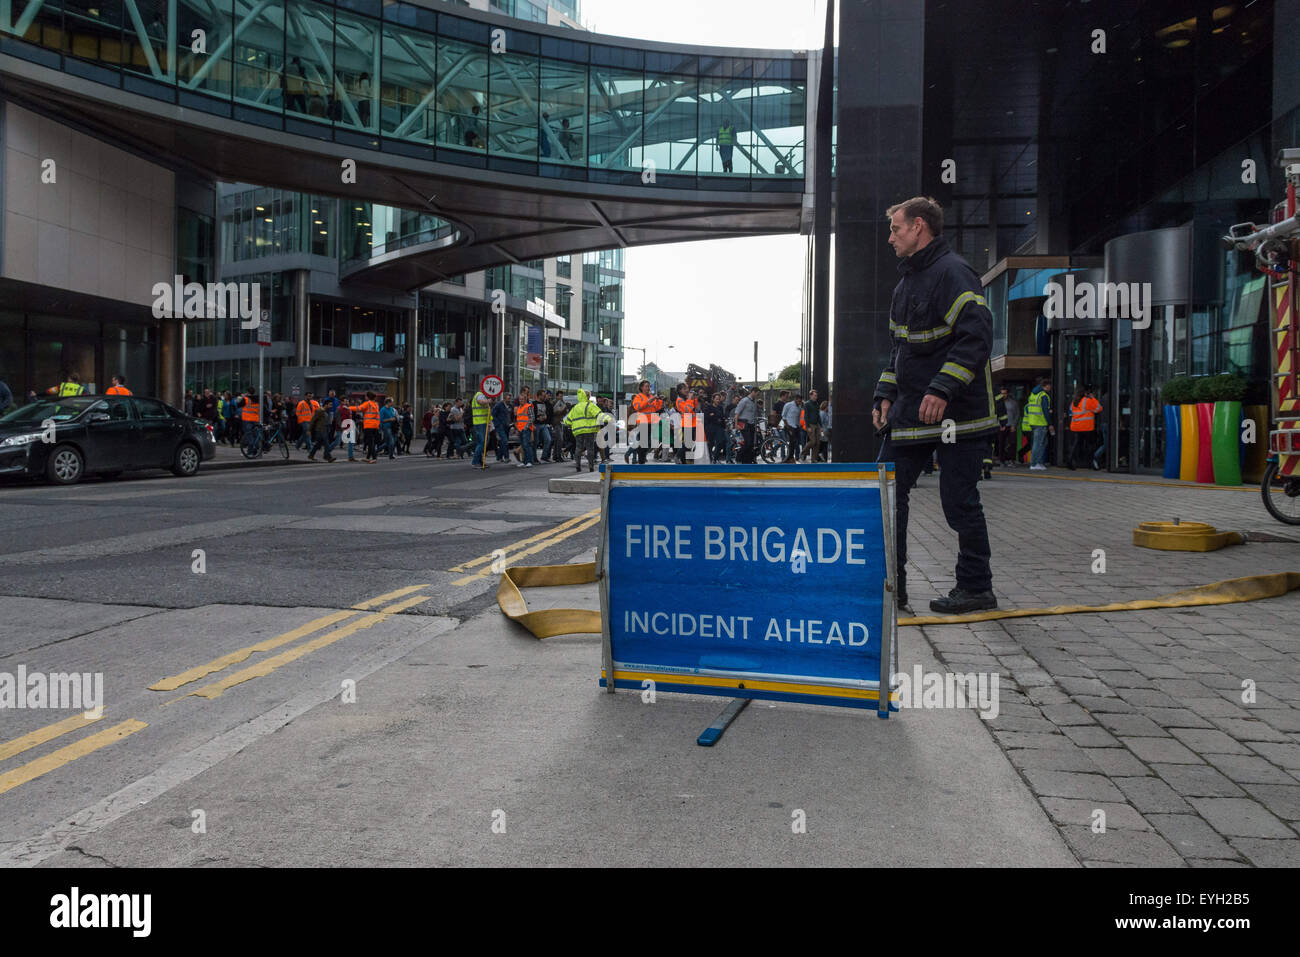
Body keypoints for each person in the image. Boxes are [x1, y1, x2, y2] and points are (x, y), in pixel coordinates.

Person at [872, 196, 997, 615]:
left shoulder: (954, 273)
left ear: (919, 226)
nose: (890, 237)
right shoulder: (905, 285)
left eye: (896, 228)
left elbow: (976, 336)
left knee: (959, 501)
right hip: (912, 411)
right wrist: (884, 394)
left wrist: (942, 388)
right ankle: (894, 590)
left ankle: (976, 587)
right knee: (887, 491)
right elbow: (899, 353)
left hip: (959, 414)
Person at [564, 389, 601, 473]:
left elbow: (568, 419)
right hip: (589, 430)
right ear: (588, 396)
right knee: (590, 448)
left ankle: (578, 466)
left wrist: (568, 424)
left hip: (578, 431)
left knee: (578, 448)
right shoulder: (591, 405)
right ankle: (591, 466)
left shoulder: (576, 407)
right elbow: (598, 414)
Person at [1067, 385, 1103, 470]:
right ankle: (1091, 463)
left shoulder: (1074, 402)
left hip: (1076, 427)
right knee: (1091, 446)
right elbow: (1099, 409)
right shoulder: (1087, 401)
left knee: (1076, 445)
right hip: (1086, 427)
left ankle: (1070, 460)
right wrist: (1093, 398)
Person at [1024, 378, 1054, 470]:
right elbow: (1045, 411)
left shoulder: (1033, 394)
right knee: (1038, 443)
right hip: (1040, 422)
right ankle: (1034, 464)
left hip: (1033, 422)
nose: (1051, 388)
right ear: (1047, 386)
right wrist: (1050, 424)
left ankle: (1039, 462)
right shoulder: (1043, 395)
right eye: (1050, 386)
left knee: (1042, 443)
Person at [629, 380, 661, 465]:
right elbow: (638, 407)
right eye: (646, 386)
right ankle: (641, 461)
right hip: (643, 422)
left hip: (651, 422)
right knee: (644, 442)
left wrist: (659, 400)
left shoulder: (651, 396)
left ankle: (640, 457)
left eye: (649, 386)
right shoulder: (638, 397)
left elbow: (656, 408)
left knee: (648, 443)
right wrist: (650, 400)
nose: (648, 388)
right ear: (641, 387)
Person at [733, 386, 760, 464]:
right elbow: (737, 413)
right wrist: (736, 425)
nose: (757, 396)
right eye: (757, 394)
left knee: (751, 444)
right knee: (747, 443)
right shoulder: (744, 401)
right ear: (753, 392)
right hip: (744, 424)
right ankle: (738, 457)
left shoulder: (753, 402)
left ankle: (747, 461)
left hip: (751, 425)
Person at [673, 384, 699, 465]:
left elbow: (695, 407)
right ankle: (677, 456)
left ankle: (684, 461)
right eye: (684, 389)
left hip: (693, 422)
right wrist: (690, 399)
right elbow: (687, 409)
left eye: (687, 388)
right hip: (687, 423)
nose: (687, 390)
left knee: (690, 444)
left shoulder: (686, 398)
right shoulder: (679, 400)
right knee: (688, 443)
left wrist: (694, 398)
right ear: (680, 390)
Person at [470, 388, 492, 467]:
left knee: (482, 442)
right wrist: (488, 401)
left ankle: (479, 461)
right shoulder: (480, 395)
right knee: (483, 442)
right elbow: (481, 402)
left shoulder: (482, 395)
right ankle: (475, 462)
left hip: (482, 422)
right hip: (480, 422)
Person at [515, 388, 535, 467]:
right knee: (523, 446)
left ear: (526, 399)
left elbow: (532, 418)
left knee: (527, 445)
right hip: (520, 429)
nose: (521, 400)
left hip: (526, 429)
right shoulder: (519, 407)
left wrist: (526, 427)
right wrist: (517, 429)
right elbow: (518, 419)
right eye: (520, 399)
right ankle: (524, 461)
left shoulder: (528, 406)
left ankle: (529, 461)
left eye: (522, 399)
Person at [704, 392, 727, 463]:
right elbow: (707, 417)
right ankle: (710, 458)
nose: (718, 400)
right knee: (710, 443)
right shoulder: (708, 407)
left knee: (720, 442)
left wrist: (714, 415)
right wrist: (715, 416)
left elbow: (722, 416)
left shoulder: (720, 407)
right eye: (716, 399)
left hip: (719, 427)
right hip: (710, 427)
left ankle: (715, 457)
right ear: (713, 399)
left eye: (719, 399)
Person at [781, 391, 802, 463]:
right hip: (789, 426)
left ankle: (789, 457)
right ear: (795, 399)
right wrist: (787, 425)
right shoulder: (788, 405)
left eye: (800, 401)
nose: (799, 402)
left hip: (796, 427)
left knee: (794, 443)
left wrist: (799, 426)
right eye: (798, 400)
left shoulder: (799, 408)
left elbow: (798, 418)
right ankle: (789, 458)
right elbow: (783, 415)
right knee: (792, 442)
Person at [534, 389, 554, 463]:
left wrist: (548, 421)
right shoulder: (534, 403)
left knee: (548, 439)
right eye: (543, 395)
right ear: (539, 396)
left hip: (544, 424)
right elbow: (532, 414)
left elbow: (550, 412)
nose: (545, 396)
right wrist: (537, 419)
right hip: (536, 424)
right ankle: (534, 457)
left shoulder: (546, 404)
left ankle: (544, 456)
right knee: (536, 442)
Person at [803, 389, 823, 462]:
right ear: (810, 395)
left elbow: (818, 415)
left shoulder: (817, 404)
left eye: (816, 396)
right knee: (813, 441)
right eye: (814, 395)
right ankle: (803, 452)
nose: (816, 397)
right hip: (810, 424)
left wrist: (821, 426)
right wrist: (807, 426)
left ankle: (814, 459)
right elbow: (806, 416)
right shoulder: (807, 404)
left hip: (817, 424)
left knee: (817, 443)